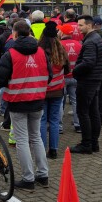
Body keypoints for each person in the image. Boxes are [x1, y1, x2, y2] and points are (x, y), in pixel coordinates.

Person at [0, 20, 51, 191]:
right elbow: (50, 74)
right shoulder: (41, 51)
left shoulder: (10, 54)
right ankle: (43, 174)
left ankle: (28, 178)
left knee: (22, 140)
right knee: (36, 137)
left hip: (18, 102)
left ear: (15, 33)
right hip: (38, 100)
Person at [70, 15, 102, 154]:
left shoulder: (90, 41)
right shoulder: (96, 38)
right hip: (94, 80)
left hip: (87, 81)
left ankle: (86, 144)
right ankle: (93, 143)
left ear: (89, 25)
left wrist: (75, 70)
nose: (78, 28)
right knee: (93, 112)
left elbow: (88, 62)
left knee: (83, 113)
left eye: (81, 25)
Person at [38, 22, 69, 159]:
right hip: (58, 90)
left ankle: (42, 150)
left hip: (43, 91)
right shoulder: (61, 49)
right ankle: (54, 150)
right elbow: (67, 69)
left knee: (42, 121)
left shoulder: (39, 52)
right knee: (55, 120)